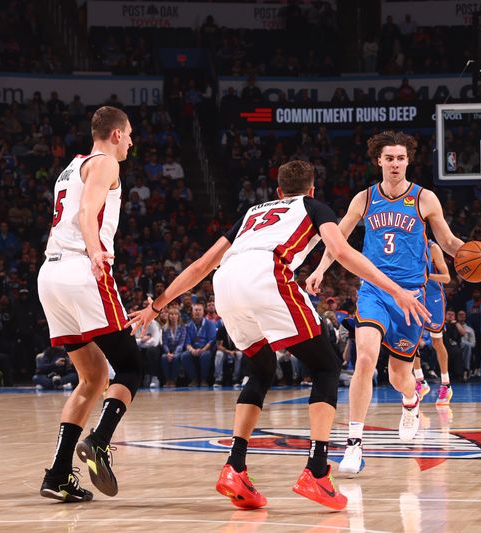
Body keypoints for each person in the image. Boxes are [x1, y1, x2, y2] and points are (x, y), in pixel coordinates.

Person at [128, 160, 428, 510]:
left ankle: (234, 467)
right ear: (312, 189)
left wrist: (156, 306)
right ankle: (317, 471)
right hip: (267, 276)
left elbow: (200, 266)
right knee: (327, 367)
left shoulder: (252, 213)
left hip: (225, 284)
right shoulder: (314, 206)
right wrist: (396, 290)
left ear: (277, 192)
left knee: (262, 368)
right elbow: (343, 252)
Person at [305, 131, 469, 476]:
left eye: (400, 158)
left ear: (408, 161)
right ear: (378, 161)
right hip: (375, 291)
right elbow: (338, 239)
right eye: (389, 158)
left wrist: (475, 256)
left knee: (399, 377)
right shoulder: (364, 200)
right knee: (365, 358)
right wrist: (320, 269)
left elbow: (450, 241)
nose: (395, 164)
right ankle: (353, 444)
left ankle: (411, 401)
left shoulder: (425, 199)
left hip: (411, 296)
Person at [36, 106, 143, 503]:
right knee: (131, 367)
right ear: (115, 134)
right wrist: (97, 252)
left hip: (50, 276)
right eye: (129, 134)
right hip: (82, 271)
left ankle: (59, 474)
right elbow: (86, 214)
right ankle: (99, 441)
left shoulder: (71, 167)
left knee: (93, 378)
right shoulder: (105, 165)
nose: (131, 141)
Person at [413, 240, 453, 406]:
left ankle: (446, 384)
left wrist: (427, 276)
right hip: (414, 294)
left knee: (437, 341)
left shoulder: (433, 248)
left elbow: (446, 277)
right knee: (412, 341)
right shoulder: (407, 243)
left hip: (433, 298)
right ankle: (420, 381)